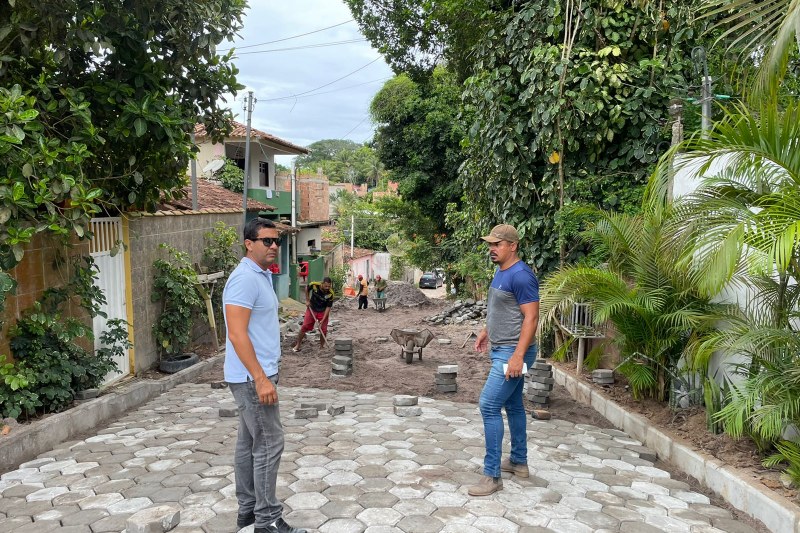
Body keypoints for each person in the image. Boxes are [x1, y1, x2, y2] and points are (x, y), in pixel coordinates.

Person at [222, 217, 307, 533]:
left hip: (255, 375)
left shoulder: (260, 275)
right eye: (267, 241)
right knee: (270, 443)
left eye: (277, 241)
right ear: (249, 244)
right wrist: (260, 378)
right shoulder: (244, 279)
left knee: (248, 445)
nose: (274, 246)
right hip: (251, 378)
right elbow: (237, 333)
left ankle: (248, 513)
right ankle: (267, 519)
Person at [468, 224, 539, 497]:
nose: (492, 248)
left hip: (513, 352)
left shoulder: (521, 276)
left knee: (488, 405)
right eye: (490, 244)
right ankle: (519, 461)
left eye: (497, 244)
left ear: (513, 246)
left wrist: (518, 356)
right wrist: (487, 330)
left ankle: (492, 476)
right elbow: (502, 308)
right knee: (513, 404)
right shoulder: (502, 271)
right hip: (503, 348)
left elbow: (531, 317)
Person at [292, 276, 334, 352]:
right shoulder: (314, 285)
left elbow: (328, 307)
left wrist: (323, 320)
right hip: (312, 309)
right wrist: (307, 300)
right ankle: (298, 345)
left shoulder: (330, 294)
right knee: (305, 326)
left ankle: (321, 347)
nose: (327, 288)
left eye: (329, 286)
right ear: (322, 284)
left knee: (324, 330)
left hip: (323, 311)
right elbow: (307, 288)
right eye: (326, 286)